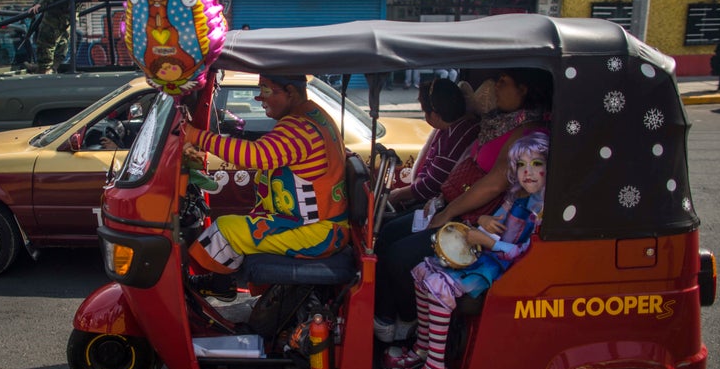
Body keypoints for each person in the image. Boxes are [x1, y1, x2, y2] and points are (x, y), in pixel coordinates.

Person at [373, 68, 551, 341]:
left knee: (399, 257)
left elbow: (494, 183)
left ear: (523, 89)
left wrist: (447, 212)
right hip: (456, 205)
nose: (494, 86)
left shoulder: (527, 133)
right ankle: (386, 316)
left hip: (476, 222)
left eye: (503, 81)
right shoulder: (500, 123)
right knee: (386, 235)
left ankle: (410, 325)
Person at [382, 132, 549, 369]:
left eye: (536, 165)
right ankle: (423, 347)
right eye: (521, 166)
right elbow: (495, 220)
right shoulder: (516, 197)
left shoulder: (539, 212)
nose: (527, 172)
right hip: (486, 254)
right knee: (422, 269)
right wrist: (483, 221)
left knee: (438, 285)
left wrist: (490, 243)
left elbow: (521, 252)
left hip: (499, 267)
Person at [183, 74, 349, 301]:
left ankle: (219, 285)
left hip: (316, 231)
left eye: (266, 89)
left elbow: (256, 155)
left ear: (290, 91)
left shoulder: (300, 127)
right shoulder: (312, 115)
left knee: (225, 230)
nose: (258, 96)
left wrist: (195, 136)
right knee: (238, 223)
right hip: (318, 225)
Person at [388, 78, 479, 212]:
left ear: (435, 115)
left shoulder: (453, 140)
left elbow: (431, 186)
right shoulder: (452, 129)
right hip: (433, 198)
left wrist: (397, 194)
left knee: (389, 228)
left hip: (441, 204)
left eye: (425, 112)